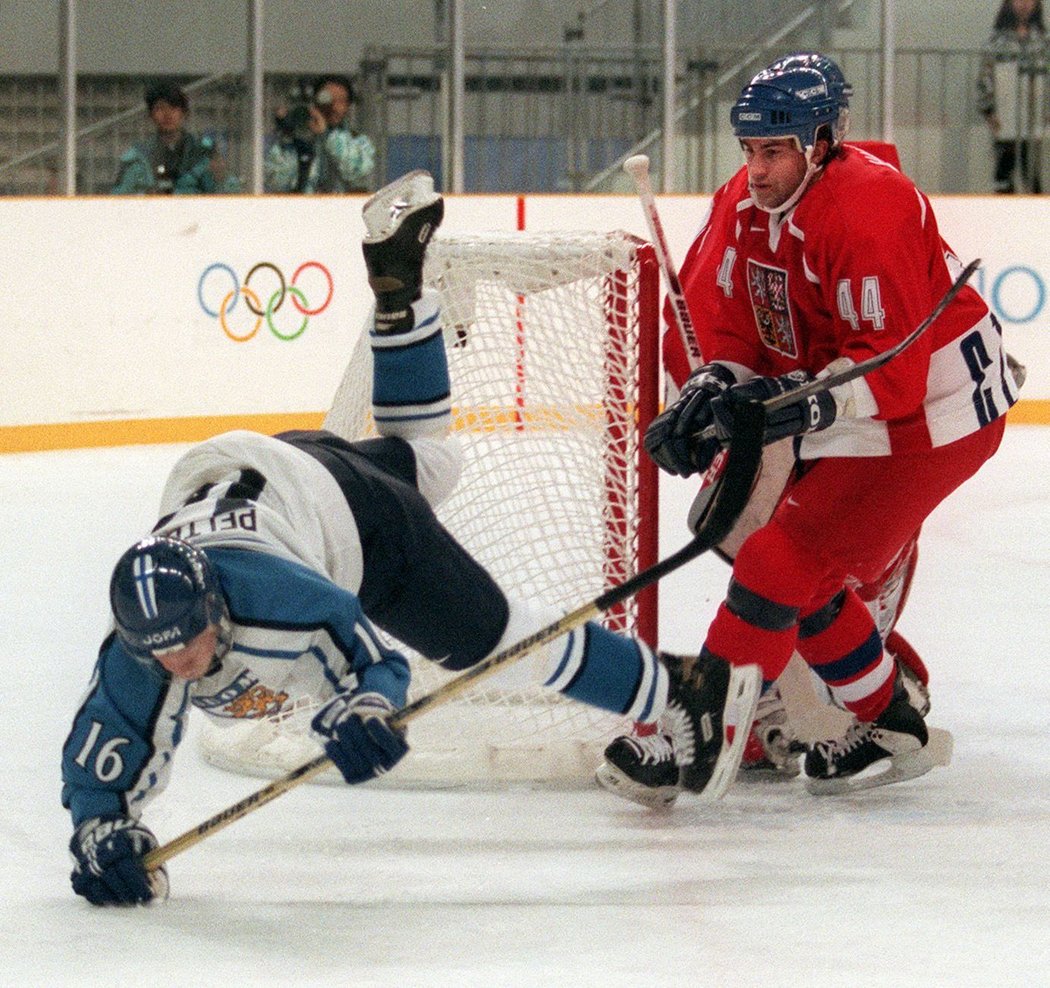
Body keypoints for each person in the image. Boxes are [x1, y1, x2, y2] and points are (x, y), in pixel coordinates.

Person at [60, 169, 760, 907]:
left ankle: (680, 688)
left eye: (189, 641)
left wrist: (361, 707)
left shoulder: (274, 595)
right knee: (427, 460)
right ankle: (400, 301)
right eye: (162, 652)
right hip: (290, 467)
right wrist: (101, 830)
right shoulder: (146, 635)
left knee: (499, 645)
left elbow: (365, 655)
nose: (180, 661)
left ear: (215, 599)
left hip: (355, 524)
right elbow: (107, 738)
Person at [596, 52, 1019, 807]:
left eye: (775, 151)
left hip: (934, 413)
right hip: (851, 396)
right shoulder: (746, 201)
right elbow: (722, 319)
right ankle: (888, 717)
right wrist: (709, 386)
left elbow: (889, 378)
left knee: (780, 558)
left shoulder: (869, 209)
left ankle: (692, 727)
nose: (755, 171)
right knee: (785, 554)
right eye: (750, 150)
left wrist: (788, 404)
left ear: (821, 142)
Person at [112, 81, 241, 195]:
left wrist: (222, 178)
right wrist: (145, 196)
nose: (167, 115)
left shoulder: (202, 153)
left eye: (173, 108)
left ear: (184, 113)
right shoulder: (138, 156)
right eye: (160, 108)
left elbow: (231, 196)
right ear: (150, 115)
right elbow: (118, 199)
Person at [264, 75, 376, 193]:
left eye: (341, 101)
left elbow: (357, 173)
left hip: (342, 208)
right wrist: (291, 137)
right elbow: (276, 181)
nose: (334, 107)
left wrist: (327, 135)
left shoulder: (359, 142)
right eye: (328, 99)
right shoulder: (294, 141)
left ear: (348, 106)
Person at [978, 0, 1046, 193]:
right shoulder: (997, 40)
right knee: (1004, 167)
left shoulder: (1043, 40)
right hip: (1005, 112)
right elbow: (986, 75)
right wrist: (988, 110)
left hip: (1034, 113)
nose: (1024, 4)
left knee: (1032, 168)